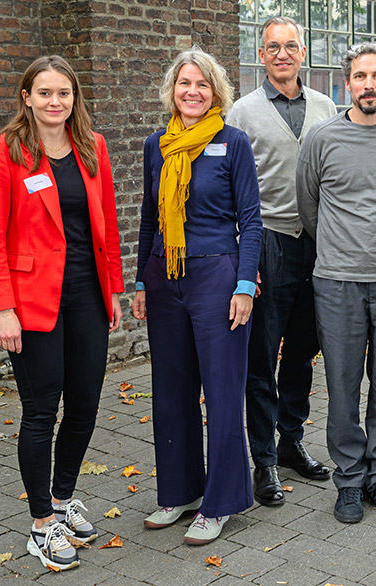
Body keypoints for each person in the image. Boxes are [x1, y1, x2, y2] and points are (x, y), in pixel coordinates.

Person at [0, 55, 123, 571]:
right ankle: (41, 524)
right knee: (42, 411)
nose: (55, 102)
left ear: (74, 98)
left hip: (87, 293)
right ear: (27, 98)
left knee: (84, 404)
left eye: (64, 93)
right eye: (44, 93)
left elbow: (107, 225)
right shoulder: (4, 151)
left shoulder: (93, 146)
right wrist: (2, 309)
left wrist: (114, 291)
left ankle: (62, 500)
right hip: (31, 301)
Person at [132, 48, 263, 546]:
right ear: (172, 90)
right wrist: (142, 280)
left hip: (218, 277)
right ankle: (180, 491)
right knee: (171, 390)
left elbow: (251, 220)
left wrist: (245, 284)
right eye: (185, 83)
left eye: (202, 84)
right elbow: (150, 218)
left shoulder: (233, 143)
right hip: (165, 279)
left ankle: (222, 501)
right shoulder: (156, 145)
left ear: (216, 92)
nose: (192, 92)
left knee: (223, 391)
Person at [296, 41, 376, 524]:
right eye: (359, 77)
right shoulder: (322, 139)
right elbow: (307, 206)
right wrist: (340, 246)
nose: (368, 85)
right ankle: (349, 479)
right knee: (343, 384)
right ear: (346, 84)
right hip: (337, 281)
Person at [228, 16, 338, 507]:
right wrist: (243, 259)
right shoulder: (242, 112)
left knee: (302, 350)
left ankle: (291, 440)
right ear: (261, 54)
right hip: (267, 240)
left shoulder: (326, 106)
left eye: (290, 45)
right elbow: (231, 188)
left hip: (316, 243)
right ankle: (264, 460)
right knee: (262, 357)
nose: (282, 54)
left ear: (302, 53)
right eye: (272, 46)